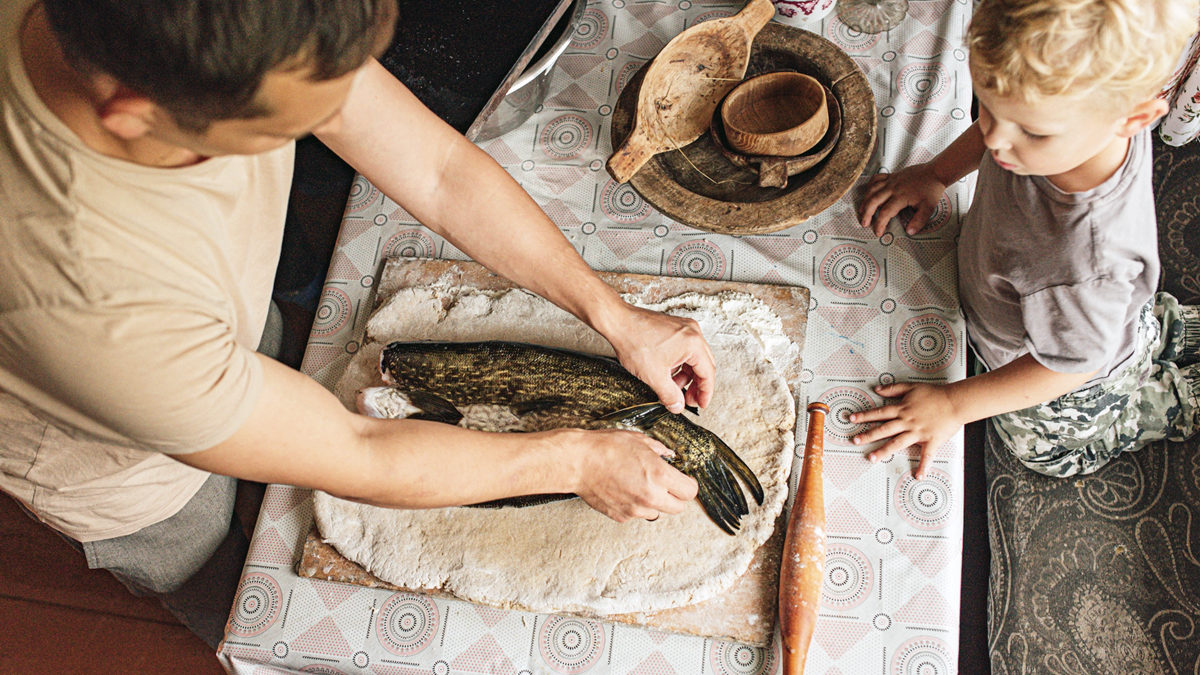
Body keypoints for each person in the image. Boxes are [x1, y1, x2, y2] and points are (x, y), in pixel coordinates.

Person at [0, 0, 715, 648]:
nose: (333, 116)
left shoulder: (224, 36)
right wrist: (578, 460)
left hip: (199, 336)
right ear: (131, 111)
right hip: (125, 469)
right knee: (230, 579)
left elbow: (436, 170)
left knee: (272, 356)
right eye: (292, 125)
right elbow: (361, 449)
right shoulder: (90, 308)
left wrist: (613, 314)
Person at [853, 0, 1200, 479]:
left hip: (1073, 381)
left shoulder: (1087, 263)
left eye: (1031, 131)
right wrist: (936, 173)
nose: (996, 140)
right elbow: (1005, 122)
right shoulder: (1076, 115)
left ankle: (1178, 398)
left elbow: (1068, 368)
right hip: (1089, 322)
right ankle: (1164, 331)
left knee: (1047, 453)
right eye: (989, 108)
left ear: (1135, 118)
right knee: (1113, 330)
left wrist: (954, 404)